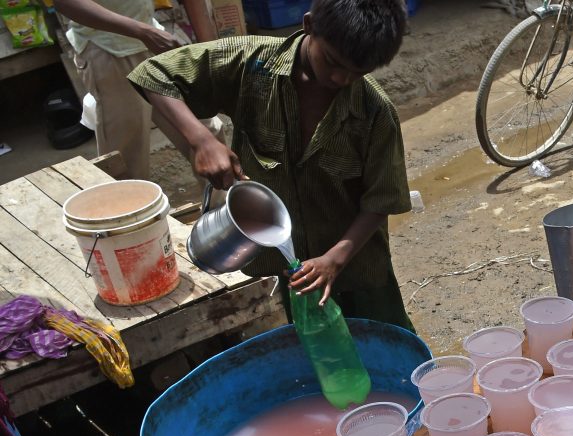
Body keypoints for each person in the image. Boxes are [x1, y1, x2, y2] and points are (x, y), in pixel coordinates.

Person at [127, 0, 416, 330]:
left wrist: (334, 259)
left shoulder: (375, 112)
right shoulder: (250, 64)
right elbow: (154, 74)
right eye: (333, 62)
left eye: (358, 72)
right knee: (309, 346)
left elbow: (381, 201)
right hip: (283, 266)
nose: (341, 78)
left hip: (356, 263)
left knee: (385, 339)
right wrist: (202, 140)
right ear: (309, 25)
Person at [54, 0, 217, 181]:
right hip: (109, 49)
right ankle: (132, 207)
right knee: (126, 158)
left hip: (155, 43)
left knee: (207, 129)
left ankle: (225, 204)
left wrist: (210, 53)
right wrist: (142, 32)